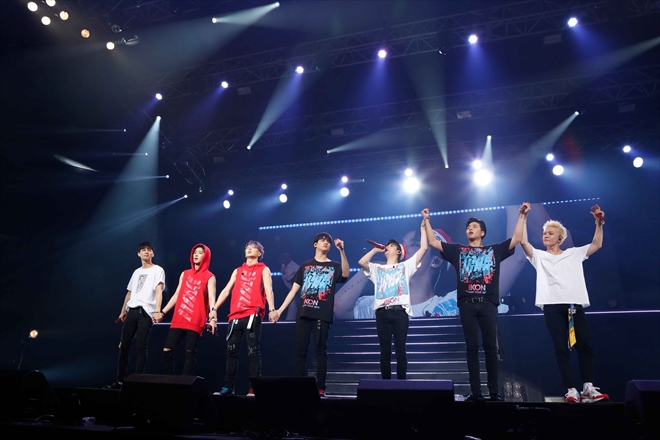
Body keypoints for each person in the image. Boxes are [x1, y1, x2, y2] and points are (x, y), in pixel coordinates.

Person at [423, 208, 525, 401]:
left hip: (487, 304)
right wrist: (427, 220)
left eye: (474, 226)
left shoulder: (493, 250)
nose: (470, 228)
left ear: (482, 232)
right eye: (468, 227)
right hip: (467, 305)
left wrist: (522, 217)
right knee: (471, 348)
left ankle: (494, 392)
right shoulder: (458, 250)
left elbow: (516, 239)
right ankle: (476, 392)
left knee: (490, 348)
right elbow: (434, 242)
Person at [519, 202, 610, 403]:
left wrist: (599, 223)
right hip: (552, 306)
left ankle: (588, 388)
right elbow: (523, 242)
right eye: (544, 233)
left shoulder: (574, 253)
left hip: (574, 305)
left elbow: (596, 244)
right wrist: (523, 217)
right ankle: (571, 390)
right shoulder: (539, 256)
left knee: (584, 346)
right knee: (561, 348)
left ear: (560, 238)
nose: (545, 235)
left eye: (550, 233)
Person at [272, 232, 349, 398]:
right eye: (323, 240)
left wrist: (342, 251)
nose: (326, 242)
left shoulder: (334, 265)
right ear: (315, 244)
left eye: (328, 241)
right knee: (301, 351)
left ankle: (321, 387)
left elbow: (345, 275)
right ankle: (299, 386)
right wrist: (279, 310)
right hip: (304, 313)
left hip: (322, 314)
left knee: (320, 350)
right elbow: (294, 291)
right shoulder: (305, 266)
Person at [356, 217, 429, 379]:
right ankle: (386, 385)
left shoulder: (405, 266)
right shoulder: (377, 268)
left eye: (391, 245)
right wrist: (375, 250)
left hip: (399, 312)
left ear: (398, 251)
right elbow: (361, 262)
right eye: (386, 245)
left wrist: (423, 227)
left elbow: (424, 248)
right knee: (385, 352)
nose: (387, 247)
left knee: (400, 350)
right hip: (382, 313)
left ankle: (401, 384)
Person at [335, 227, 457, 319]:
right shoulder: (377, 304)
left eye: (414, 244)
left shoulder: (450, 303)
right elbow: (338, 309)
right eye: (402, 244)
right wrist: (369, 267)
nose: (401, 249)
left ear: (435, 261)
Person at [209, 241, 275, 396]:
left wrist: (272, 309)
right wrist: (214, 309)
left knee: (253, 351)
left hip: (252, 314)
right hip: (235, 315)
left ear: (259, 253)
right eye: (247, 247)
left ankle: (254, 388)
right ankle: (228, 387)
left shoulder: (263, 269)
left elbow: (269, 289)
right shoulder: (237, 271)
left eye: (253, 247)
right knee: (231, 352)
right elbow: (226, 290)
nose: (249, 249)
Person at [106, 241, 165, 389]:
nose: (146, 251)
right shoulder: (136, 272)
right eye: (143, 250)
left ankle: (137, 381)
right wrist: (123, 310)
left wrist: (157, 310)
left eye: (149, 249)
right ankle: (119, 381)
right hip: (132, 310)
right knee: (124, 346)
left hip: (145, 312)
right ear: (138, 253)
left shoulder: (158, 270)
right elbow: (130, 292)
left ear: (153, 253)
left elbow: (159, 291)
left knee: (141, 346)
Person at [161, 244, 216, 376]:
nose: (196, 254)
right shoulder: (185, 274)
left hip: (196, 317)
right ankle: (169, 380)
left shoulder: (209, 277)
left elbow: (212, 298)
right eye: (195, 252)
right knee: (167, 349)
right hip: (180, 316)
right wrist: (162, 312)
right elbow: (177, 295)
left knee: (190, 352)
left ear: (206, 256)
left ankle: (185, 383)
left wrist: (213, 318)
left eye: (200, 252)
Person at [280, 253, 300, 321]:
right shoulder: (283, 266)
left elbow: (294, 278)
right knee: (291, 314)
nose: (284, 260)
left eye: (285, 258)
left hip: (299, 292)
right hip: (293, 293)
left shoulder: (295, 267)